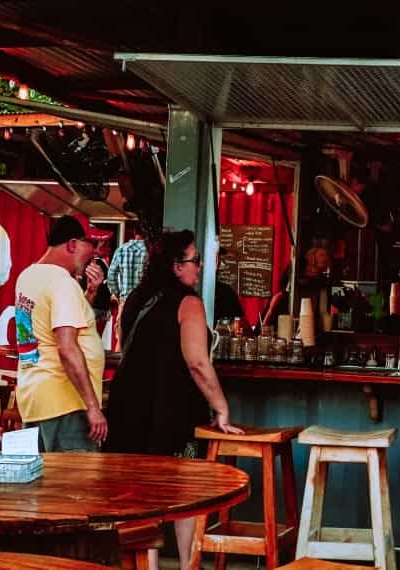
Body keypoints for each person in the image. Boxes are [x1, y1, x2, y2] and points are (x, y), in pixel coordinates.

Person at [105, 229, 243, 569]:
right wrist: (222, 408)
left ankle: (147, 565)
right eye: (194, 259)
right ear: (175, 266)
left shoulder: (136, 299)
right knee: (185, 494)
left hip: (126, 408)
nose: (199, 265)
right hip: (169, 411)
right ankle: (188, 565)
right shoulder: (189, 303)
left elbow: (129, 346)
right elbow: (197, 362)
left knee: (139, 497)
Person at [11, 214, 112, 452]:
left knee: (44, 484)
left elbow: (50, 326)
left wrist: (89, 294)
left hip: (35, 397)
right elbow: (66, 347)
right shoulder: (61, 282)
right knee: (75, 485)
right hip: (65, 403)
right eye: (92, 244)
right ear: (72, 244)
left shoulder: (28, 276)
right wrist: (93, 407)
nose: (95, 254)